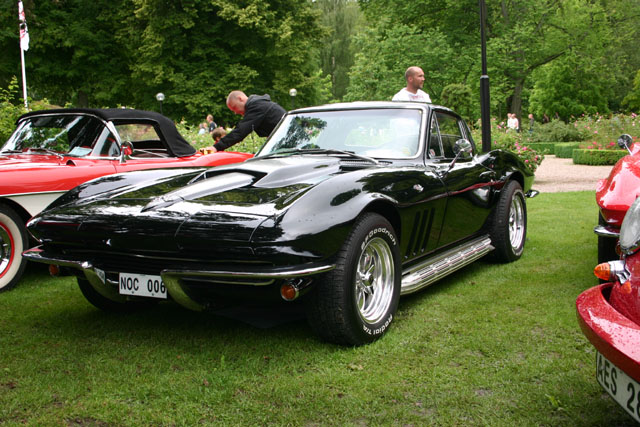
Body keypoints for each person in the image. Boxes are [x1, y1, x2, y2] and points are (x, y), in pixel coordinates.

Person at [211, 91, 286, 152]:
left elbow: (241, 131)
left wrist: (216, 147)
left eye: (234, 107)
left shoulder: (257, 106)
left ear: (240, 99)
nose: (235, 112)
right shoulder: (259, 104)